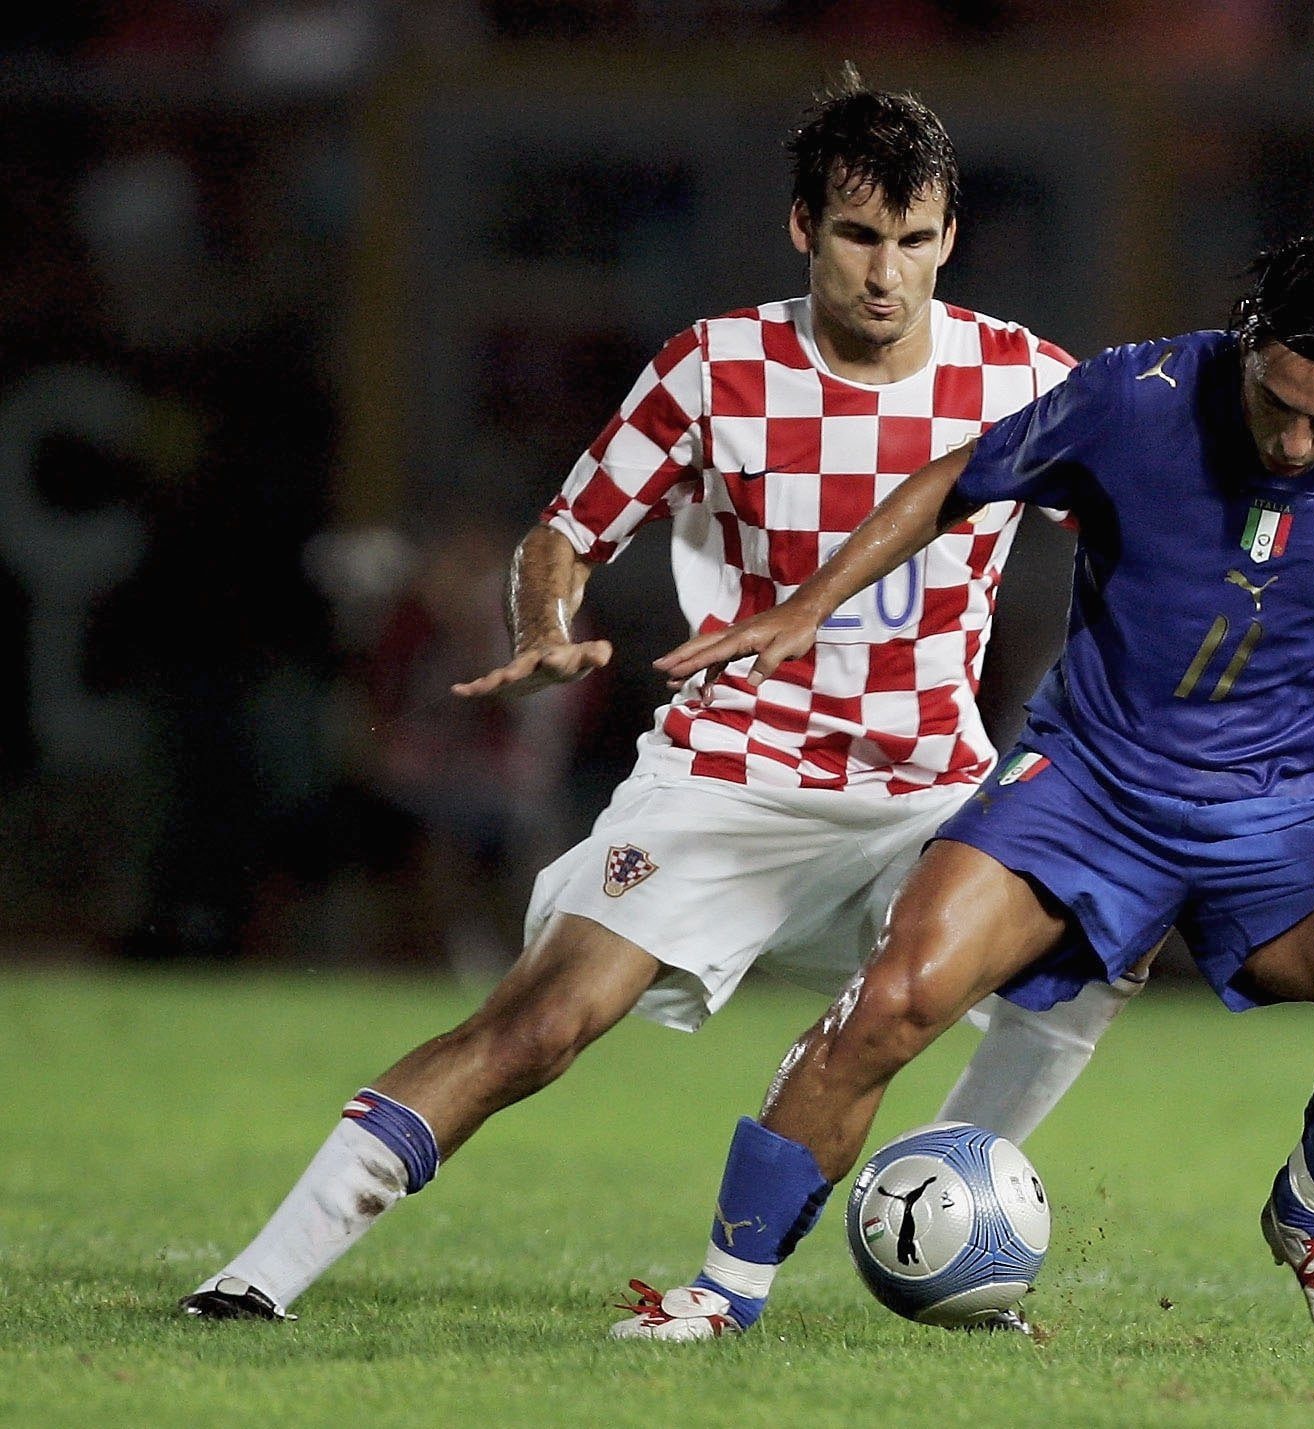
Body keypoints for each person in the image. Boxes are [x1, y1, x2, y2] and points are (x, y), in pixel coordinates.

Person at [641, 232, 1314, 1352]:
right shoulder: (1136, 396)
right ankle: (725, 1288)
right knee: (892, 998)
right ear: (1246, 340)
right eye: (1280, 403)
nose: (1295, 441)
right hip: (1089, 786)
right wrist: (811, 602)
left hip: (1294, 805)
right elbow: (957, 479)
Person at [177, 69, 1140, 1327]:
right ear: (802, 227)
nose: (885, 274)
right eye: (857, 236)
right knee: (543, 1023)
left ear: (949, 236)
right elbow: (565, 534)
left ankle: (943, 1198)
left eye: (913, 241)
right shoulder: (714, 368)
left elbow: (1150, 530)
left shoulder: (1019, 378)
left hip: (926, 796)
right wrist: (546, 627)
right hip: (734, 773)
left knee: (1099, 940)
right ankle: (255, 1278)